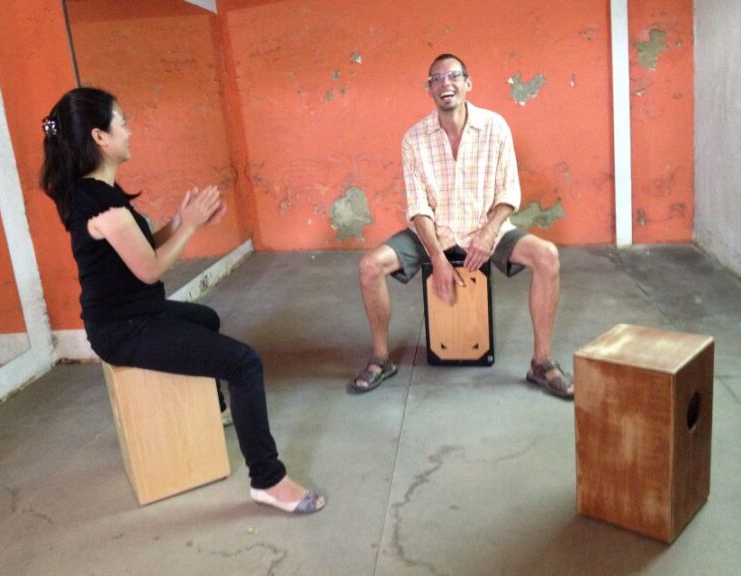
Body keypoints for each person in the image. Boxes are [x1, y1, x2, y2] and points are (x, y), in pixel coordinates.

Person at [40, 87, 325, 513]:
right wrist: (190, 227)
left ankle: (216, 412)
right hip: (123, 329)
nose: (130, 130)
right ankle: (268, 480)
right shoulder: (102, 206)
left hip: (137, 313)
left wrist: (179, 221)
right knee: (244, 363)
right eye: (123, 122)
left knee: (204, 317)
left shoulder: (97, 192)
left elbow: (137, 247)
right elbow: (149, 269)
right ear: (100, 137)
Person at [350, 53, 573, 399]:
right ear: (429, 90)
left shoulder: (495, 127)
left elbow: (509, 192)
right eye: (436, 79)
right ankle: (381, 358)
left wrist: (487, 234)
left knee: (547, 256)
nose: (445, 84)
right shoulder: (414, 139)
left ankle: (541, 363)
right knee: (369, 266)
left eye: (453, 76)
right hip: (436, 231)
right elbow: (419, 209)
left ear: (468, 84)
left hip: (488, 228)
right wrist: (437, 257)